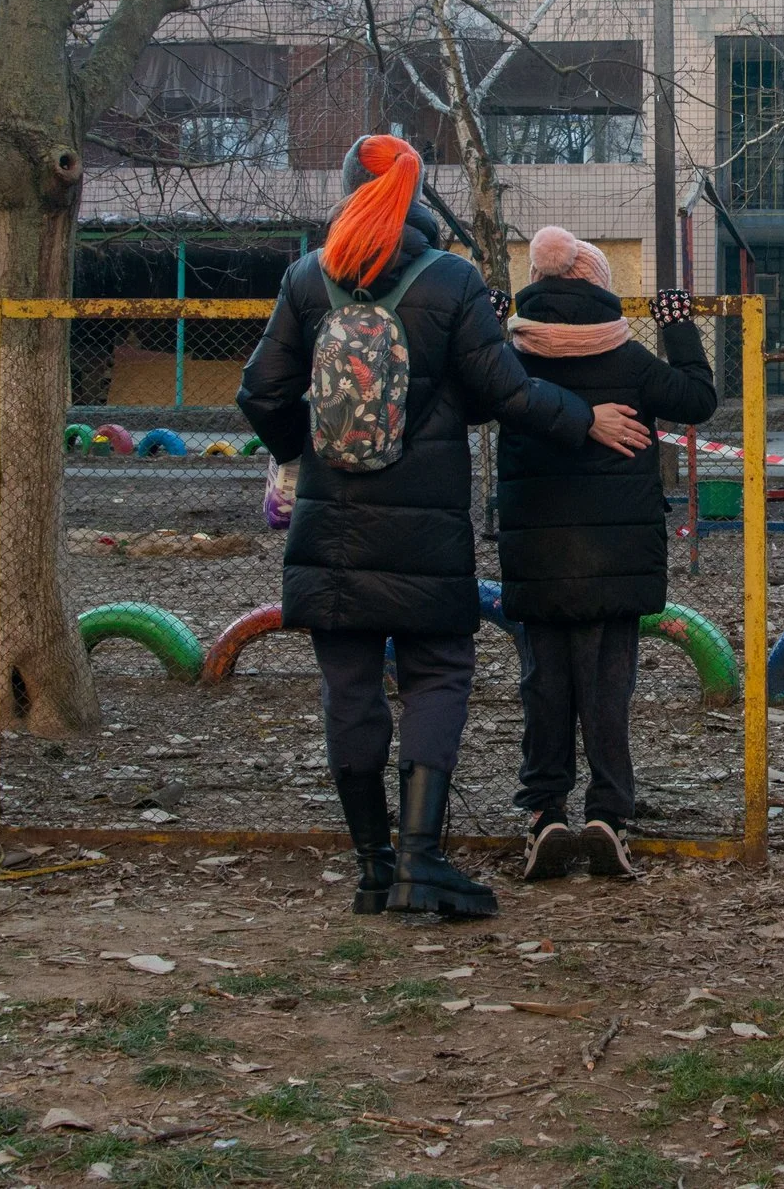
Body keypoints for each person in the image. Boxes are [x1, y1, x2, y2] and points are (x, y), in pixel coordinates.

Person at [239, 137, 653, 918]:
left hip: (330, 533)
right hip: (424, 531)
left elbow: (260, 393)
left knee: (349, 689)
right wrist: (583, 417)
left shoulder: (307, 278)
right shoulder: (450, 279)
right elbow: (506, 393)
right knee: (436, 675)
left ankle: (372, 870)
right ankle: (420, 862)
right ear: (414, 194)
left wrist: (315, 448)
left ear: (347, 189)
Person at [497, 226, 718, 880]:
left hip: (538, 553)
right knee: (607, 691)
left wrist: (484, 322)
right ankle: (609, 816)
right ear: (599, 288)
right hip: (616, 556)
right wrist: (677, 326)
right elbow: (698, 400)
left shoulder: (510, 361)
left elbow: (469, 395)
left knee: (543, 687)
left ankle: (544, 814)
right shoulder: (630, 360)